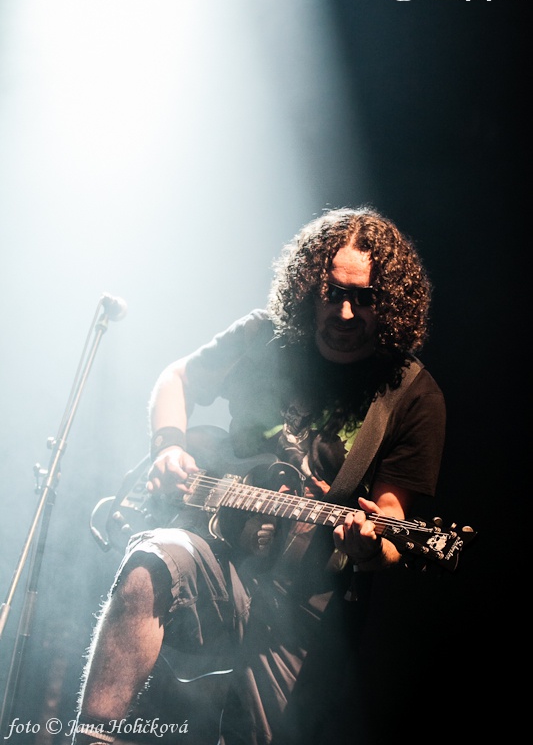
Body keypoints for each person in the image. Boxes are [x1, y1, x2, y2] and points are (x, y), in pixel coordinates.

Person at [71, 206, 445, 745]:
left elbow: (390, 518)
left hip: (302, 602)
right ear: (309, 288)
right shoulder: (265, 335)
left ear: (389, 303)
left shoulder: (411, 393)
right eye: (333, 293)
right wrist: (168, 448)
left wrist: (371, 546)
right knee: (151, 562)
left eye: (364, 298)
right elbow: (176, 379)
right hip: (216, 556)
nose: (345, 313)